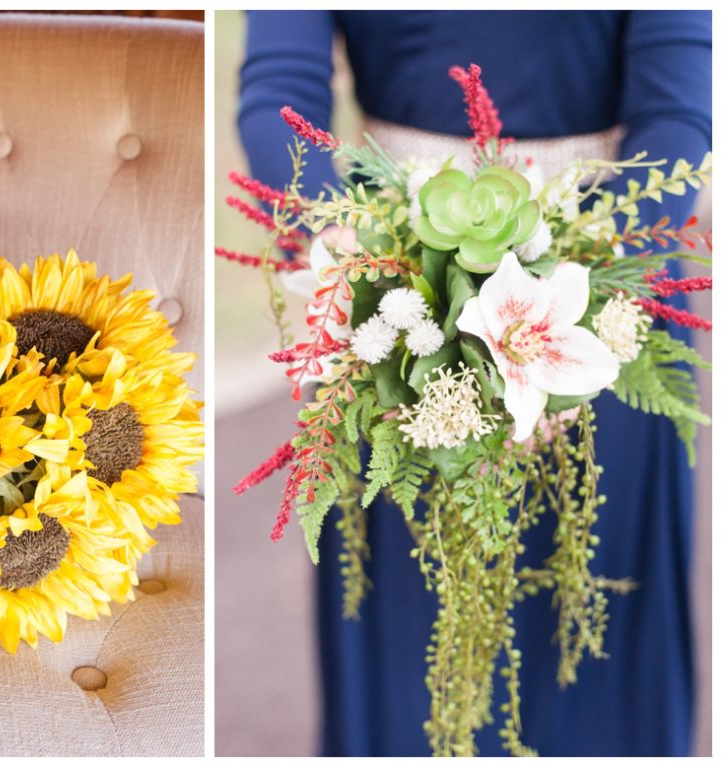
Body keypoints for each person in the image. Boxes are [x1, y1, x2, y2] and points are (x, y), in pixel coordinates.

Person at [237, 10, 710, 757]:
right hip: (397, 293)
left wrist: (562, 309)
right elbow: (279, 87)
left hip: (610, 279)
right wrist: (346, 251)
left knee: (595, 623)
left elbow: (677, 107)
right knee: (411, 619)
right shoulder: (384, 288)